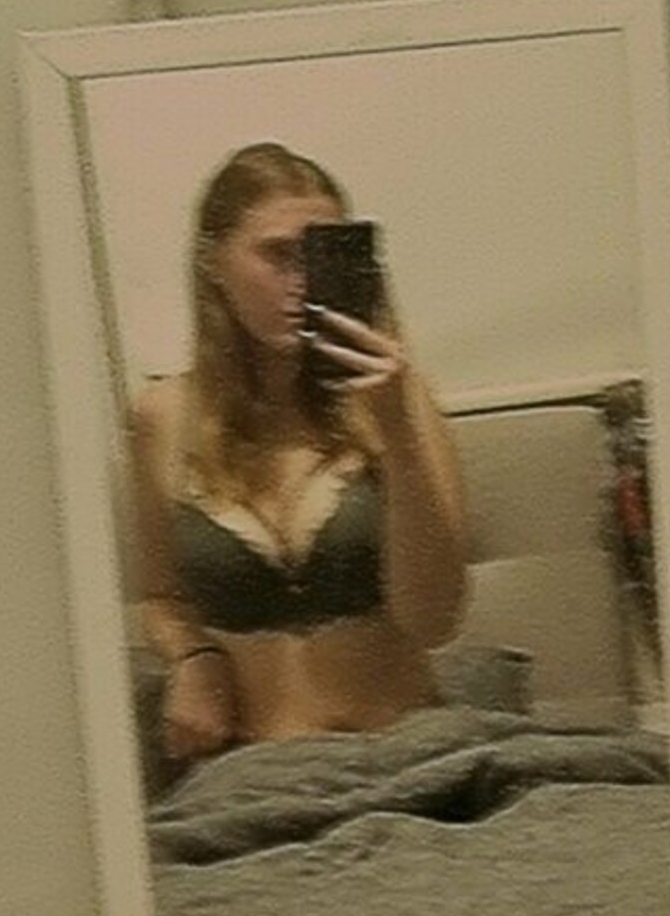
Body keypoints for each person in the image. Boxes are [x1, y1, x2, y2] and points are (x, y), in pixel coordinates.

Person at [126, 141, 467, 767]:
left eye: (322, 255)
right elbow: (160, 597)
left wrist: (396, 430)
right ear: (213, 263)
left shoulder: (399, 400)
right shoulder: (162, 418)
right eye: (277, 254)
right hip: (256, 775)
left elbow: (434, 619)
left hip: (410, 754)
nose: (303, 281)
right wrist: (195, 658)